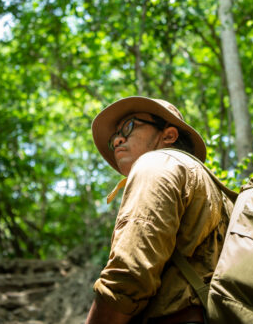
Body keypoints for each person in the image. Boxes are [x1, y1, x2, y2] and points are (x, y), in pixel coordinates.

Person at [86, 96, 232, 324]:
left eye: (129, 127)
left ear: (169, 135)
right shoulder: (214, 190)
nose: (117, 140)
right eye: (114, 137)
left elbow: (128, 277)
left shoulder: (156, 164)